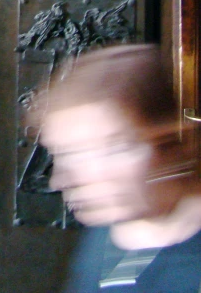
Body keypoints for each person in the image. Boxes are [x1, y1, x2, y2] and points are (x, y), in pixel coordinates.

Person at [32, 44, 201, 292]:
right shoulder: (109, 231)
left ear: (170, 144)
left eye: (111, 149)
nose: (65, 179)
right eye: (66, 154)